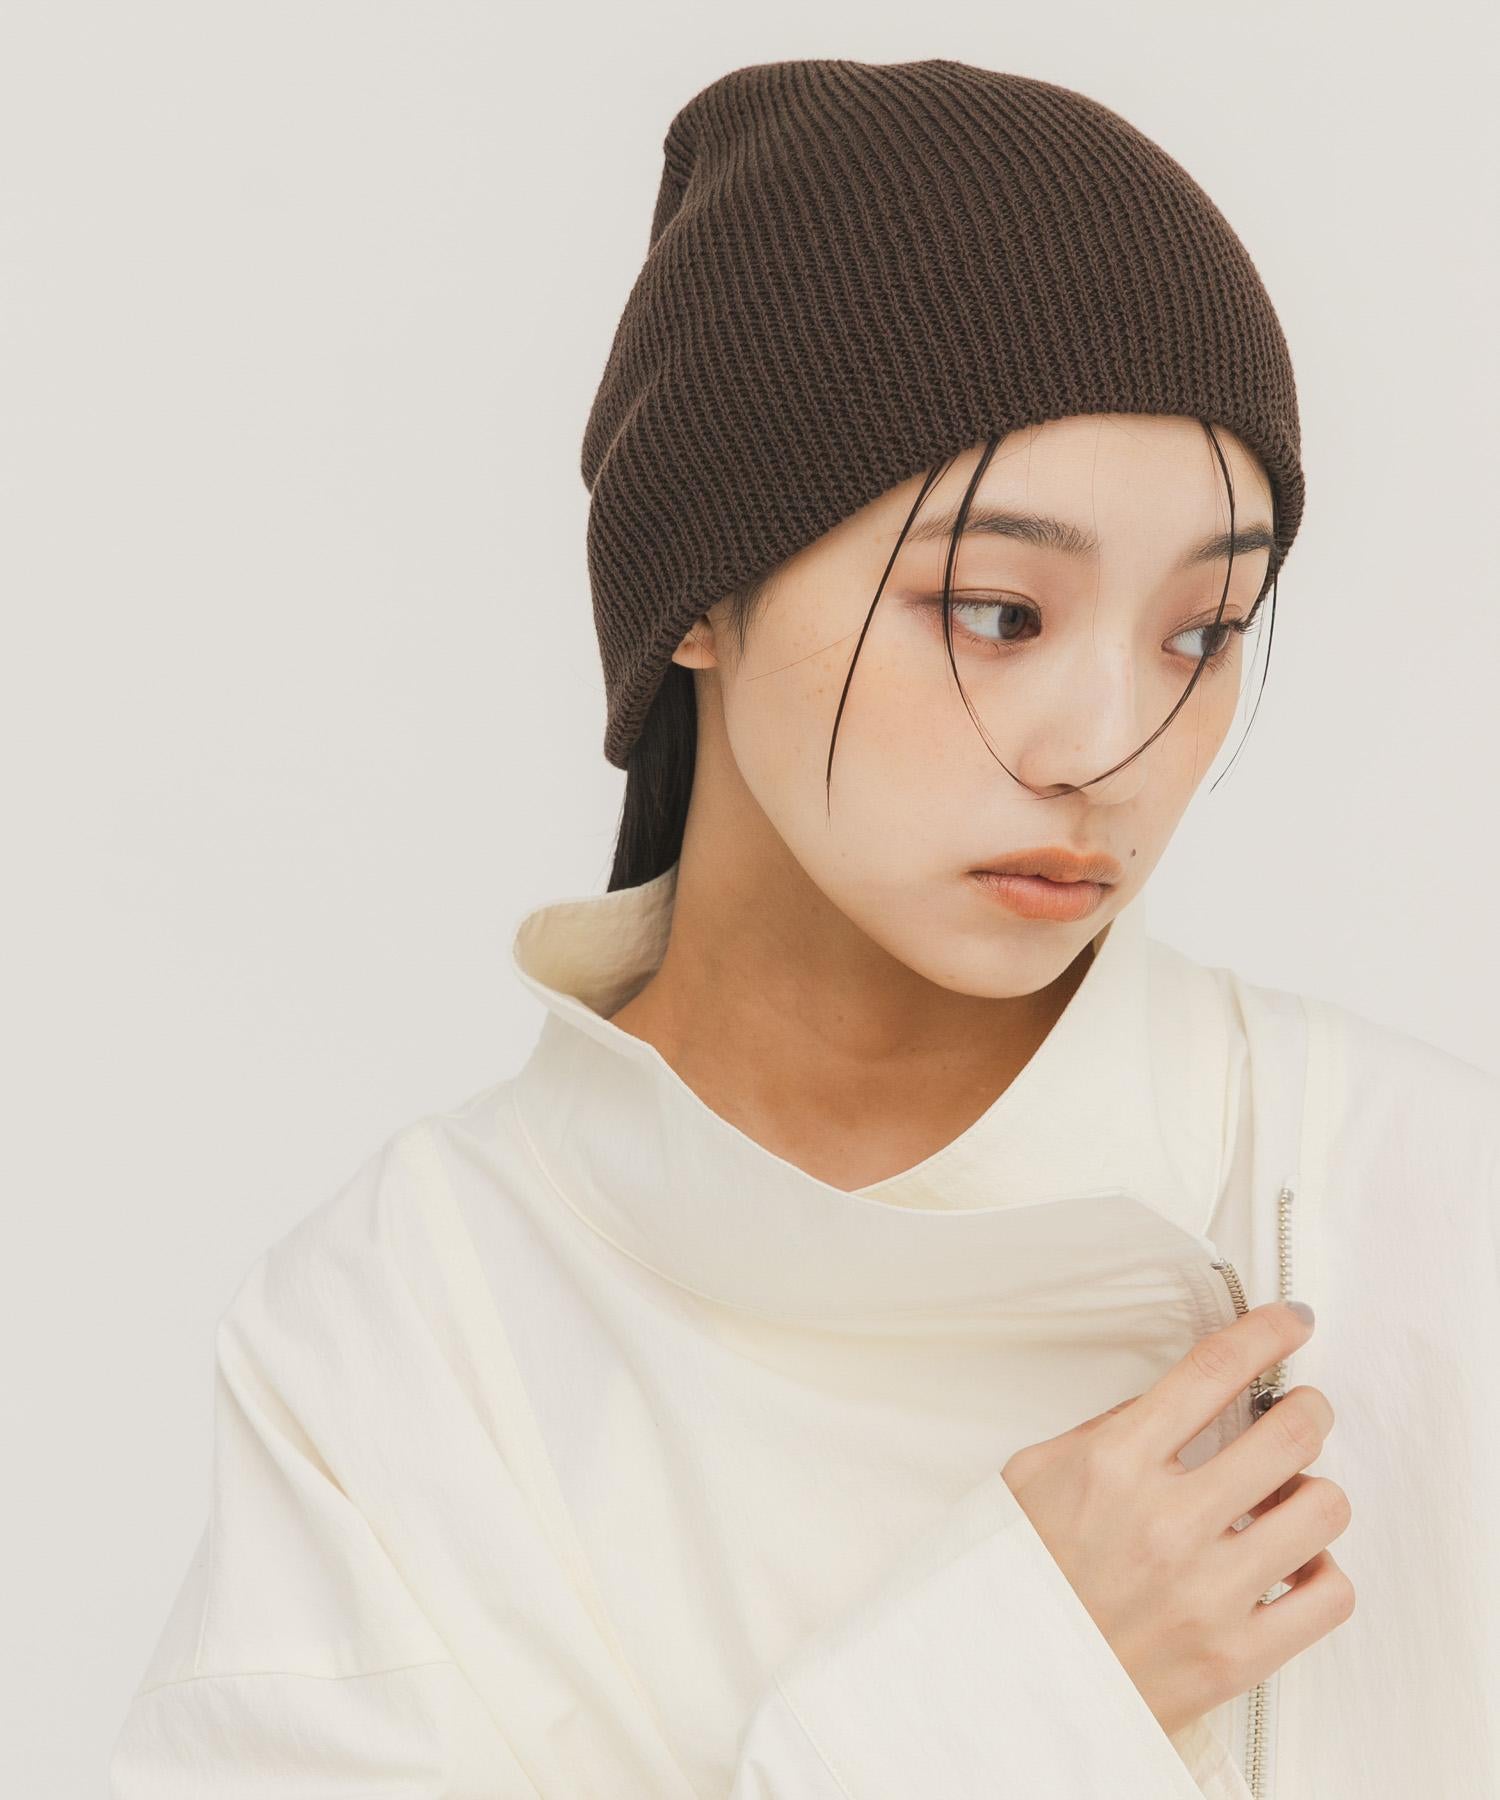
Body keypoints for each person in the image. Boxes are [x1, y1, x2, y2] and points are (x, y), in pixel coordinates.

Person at [108, 58, 1498, 1800]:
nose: (1111, 746)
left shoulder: (1417, 1198)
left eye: (1203, 632)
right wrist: (1006, 1704)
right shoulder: (410, 1325)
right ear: (702, 592)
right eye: (998, 611)